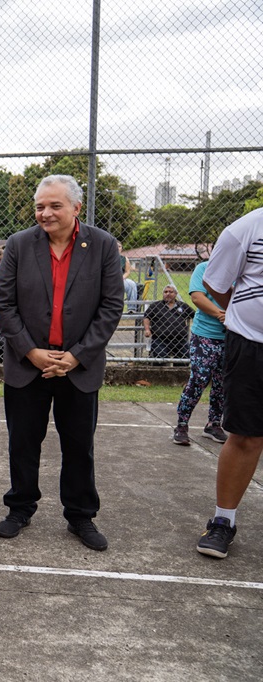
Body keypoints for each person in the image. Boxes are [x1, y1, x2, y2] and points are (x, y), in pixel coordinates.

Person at [0, 174, 123, 551]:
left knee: (79, 445)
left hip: (78, 367)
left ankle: (80, 515)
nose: (45, 213)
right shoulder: (19, 245)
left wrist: (76, 355)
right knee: (23, 442)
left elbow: (111, 306)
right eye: (39, 207)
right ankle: (20, 507)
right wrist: (31, 352)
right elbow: (3, 304)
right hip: (27, 364)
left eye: (54, 206)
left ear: (76, 208)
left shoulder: (102, 245)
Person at [194, 207, 263, 560]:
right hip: (252, 343)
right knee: (246, 435)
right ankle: (223, 521)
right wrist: (243, 313)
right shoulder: (246, 229)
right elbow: (216, 285)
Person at [173, 259, 228, 447]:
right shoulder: (204, 268)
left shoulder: (239, 272)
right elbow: (197, 297)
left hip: (232, 337)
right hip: (205, 335)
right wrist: (222, 315)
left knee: (223, 383)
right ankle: (181, 425)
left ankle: (214, 424)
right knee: (199, 379)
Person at [143, 285, 195, 360]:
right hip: (160, 340)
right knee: (159, 360)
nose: (168, 294)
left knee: (185, 359)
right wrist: (147, 329)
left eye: (171, 292)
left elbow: (195, 316)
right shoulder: (156, 306)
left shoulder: (183, 306)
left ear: (176, 294)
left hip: (180, 340)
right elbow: (146, 317)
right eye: (165, 292)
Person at [117, 240, 139, 309]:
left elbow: (127, 272)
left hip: (121, 279)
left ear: (121, 248)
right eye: (115, 246)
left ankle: (131, 308)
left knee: (131, 284)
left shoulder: (124, 259)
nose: (117, 248)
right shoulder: (106, 257)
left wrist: (121, 278)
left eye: (119, 246)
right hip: (108, 280)